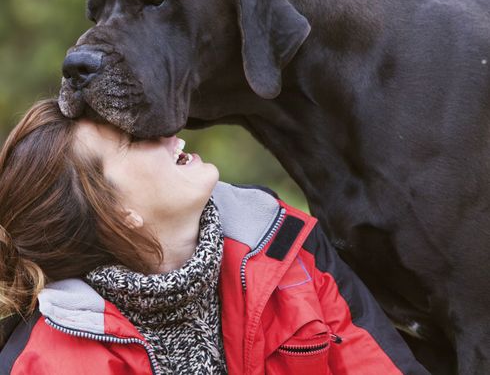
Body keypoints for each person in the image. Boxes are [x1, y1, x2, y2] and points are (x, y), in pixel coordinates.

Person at [0, 99, 428, 375]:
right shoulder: (42, 363)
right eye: (133, 138)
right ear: (115, 212)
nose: (167, 131)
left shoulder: (288, 247)